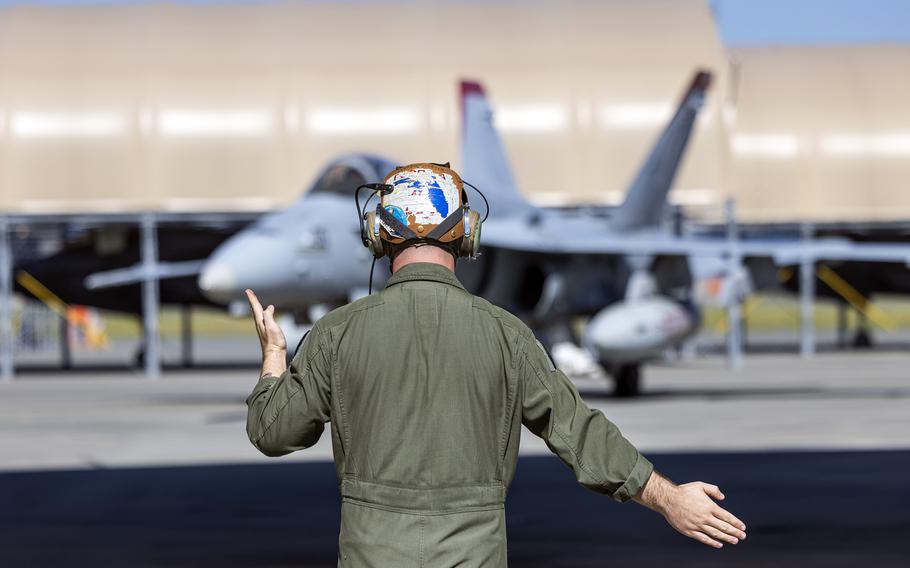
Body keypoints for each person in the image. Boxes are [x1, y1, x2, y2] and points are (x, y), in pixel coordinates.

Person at [245, 163, 746, 566]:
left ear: (378, 234)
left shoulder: (337, 332)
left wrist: (273, 358)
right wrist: (669, 498)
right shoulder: (507, 335)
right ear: (466, 234)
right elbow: (580, 434)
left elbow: (274, 433)